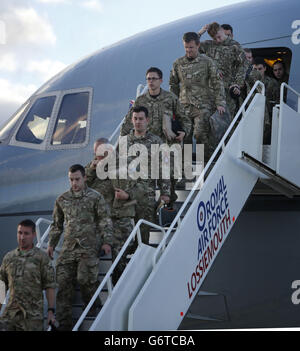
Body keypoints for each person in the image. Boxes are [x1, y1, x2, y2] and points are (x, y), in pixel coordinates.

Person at [47, 164, 114, 330]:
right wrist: (51, 244)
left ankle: (93, 305)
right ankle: (65, 325)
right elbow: (57, 225)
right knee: (62, 284)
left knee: (84, 279)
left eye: (77, 179)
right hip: (68, 248)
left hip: (88, 247)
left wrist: (107, 241)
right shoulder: (62, 199)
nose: (74, 183)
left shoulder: (95, 197)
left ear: (84, 178)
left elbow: (104, 220)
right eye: (71, 180)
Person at [121, 67, 192, 204]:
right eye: (148, 79)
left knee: (169, 180)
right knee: (144, 183)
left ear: (161, 80)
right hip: (146, 147)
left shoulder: (170, 98)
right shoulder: (140, 101)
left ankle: (169, 208)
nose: (151, 82)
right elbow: (128, 124)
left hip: (167, 147)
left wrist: (185, 132)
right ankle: (150, 212)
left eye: (154, 79)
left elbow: (185, 119)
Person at [85, 138, 147, 285]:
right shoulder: (93, 167)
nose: (99, 158)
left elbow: (144, 187)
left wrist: (128, 195)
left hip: (121, 219)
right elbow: (80, 187)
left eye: (102, 154)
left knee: (119, 259)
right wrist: (91, 170)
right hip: (100, 222)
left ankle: (119, 288)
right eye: (96, 154)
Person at [169, 31, 226, 163]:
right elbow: (173, 84)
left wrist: (220, 102)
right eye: (186, 47)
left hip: (203, 105)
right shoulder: (178, 63)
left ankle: (206, 163)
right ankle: (188, 169)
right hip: (184, 106)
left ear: (198, 45)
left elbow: (217, 82)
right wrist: (174, 104)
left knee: (199, 134)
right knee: (186, 138)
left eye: (191, 47)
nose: (188, 50)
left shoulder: (207, 62)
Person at [122, 105, 171, 244]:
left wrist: (165, 192)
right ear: (132, 120)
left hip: (146, 198)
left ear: (147, 120)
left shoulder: (156, 141)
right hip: (126, 197)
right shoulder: (124, 142)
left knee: (143, 238)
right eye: (135, 118)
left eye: (141, 119)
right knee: (126, 238)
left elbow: (164, 169)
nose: (138, 122)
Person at [0, 219, 56, 331]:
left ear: (34, 235)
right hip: (10, 315)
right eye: (20, 233)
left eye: (26, 233)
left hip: (32, 317)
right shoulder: (9, 257)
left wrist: (51, 311)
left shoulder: (41, 258)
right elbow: (1, 285)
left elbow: (50, 286)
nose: (22, 237)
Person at [198, 22, 248, 119]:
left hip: (227, 91)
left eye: (219, 37)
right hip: (211, 90)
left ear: (222, 31)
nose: (217, 40)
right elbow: (192, 48)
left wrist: (237, 83)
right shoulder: (209, 45)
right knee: (209, 121)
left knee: (225, 122)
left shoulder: (235, 46)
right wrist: (199, 33)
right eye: (214, 38)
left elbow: (242, 65)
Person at [253, 57, 280, 143]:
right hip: (253, 117)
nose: (257, 71)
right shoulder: (249, 82)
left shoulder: (273, 83)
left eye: (260, 69)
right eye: (255, 69)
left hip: (269, 120)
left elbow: (278, 102)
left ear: (265, 68)